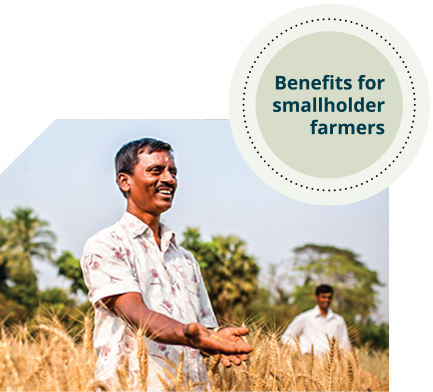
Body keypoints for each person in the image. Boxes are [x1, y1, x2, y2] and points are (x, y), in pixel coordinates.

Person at [80, 138, 252, 391]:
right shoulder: (106, 245)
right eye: (155, 171)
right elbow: (134, 312)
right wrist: (192, 335)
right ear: (124, 181)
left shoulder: (186, 259)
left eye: (172, 172)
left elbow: (200, 331)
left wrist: (214, 339)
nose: (169, 179)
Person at [281, 284, 351, 354]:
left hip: (332, 363)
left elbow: (345, 344)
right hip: (309, 363)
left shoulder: (339, 320)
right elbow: (286, 337)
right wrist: (301, 351)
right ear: (316, 297)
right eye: (323, 297)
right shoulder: (304, 318)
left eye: (329, 297)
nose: (326, 300)